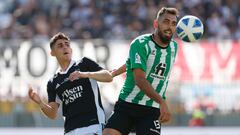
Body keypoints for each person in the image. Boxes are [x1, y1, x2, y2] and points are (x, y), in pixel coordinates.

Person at [103, 7, 179, 135]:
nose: (170, 27)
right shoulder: (140, 43)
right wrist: (162, 102)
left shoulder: (174, 47)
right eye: (166, 22)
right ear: (156, 24)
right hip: (128, 103)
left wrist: (116, 72)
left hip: (151, 109)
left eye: (173, 24)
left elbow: (137, 62)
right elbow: (139, 79)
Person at [28, 32, 113, 135]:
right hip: (70, 130)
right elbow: (52, 114)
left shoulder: (84, 63)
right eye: (60, 45)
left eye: (67, 44)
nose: (65, 47)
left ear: (71, 49)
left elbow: (108, 76)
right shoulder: (53, 82)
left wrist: (84, 74)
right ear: (52, 53)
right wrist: (40, 103)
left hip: (92, 126)